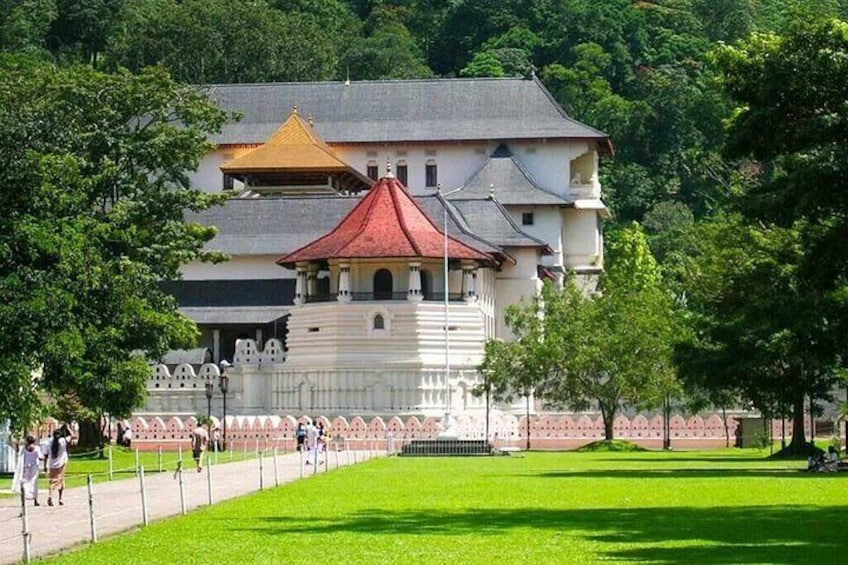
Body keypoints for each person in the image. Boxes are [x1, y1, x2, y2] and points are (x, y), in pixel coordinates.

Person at [12, 435, 44, 508]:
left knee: (25, 483)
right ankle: (35, 500)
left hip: (26, 467)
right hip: (34, 467)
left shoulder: (24, 448)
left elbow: (20, 456)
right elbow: (40, 457)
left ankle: (25, 499)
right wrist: (42, 457)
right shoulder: (36, 448)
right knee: (34, 483)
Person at [47, 424, 74, 506]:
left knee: (53, 481)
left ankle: (53, 496)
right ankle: (58, 498)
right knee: (60, 480)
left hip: (52, 464)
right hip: (61, 463)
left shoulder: (50, 441)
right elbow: (73, 435)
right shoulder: (63, 441)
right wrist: (68, 428)